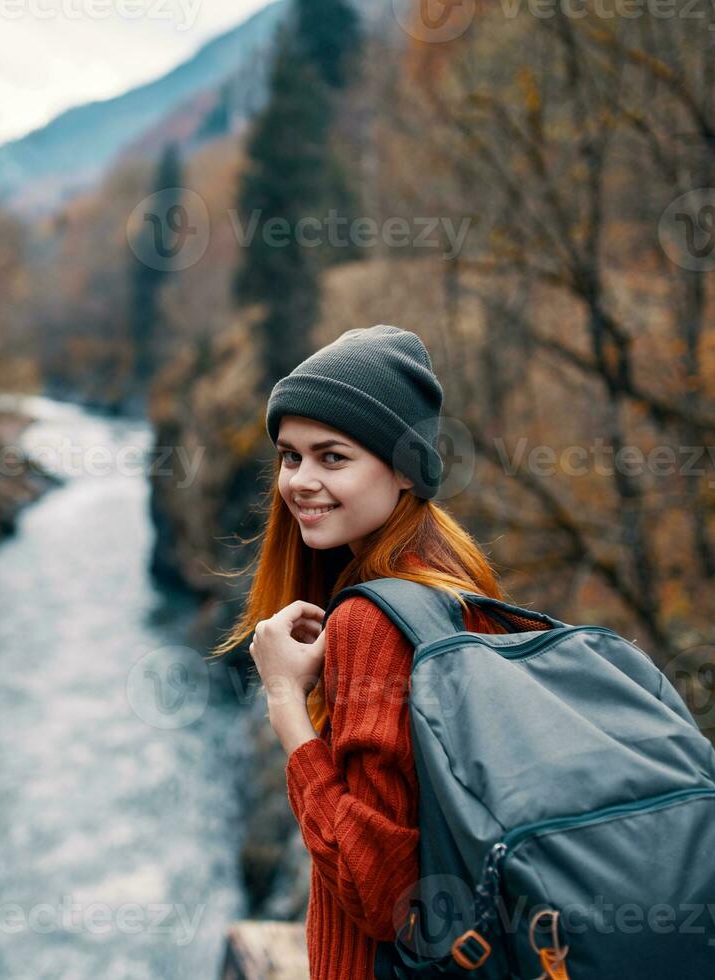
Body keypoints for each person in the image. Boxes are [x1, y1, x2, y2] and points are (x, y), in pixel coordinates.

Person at [212, 324, 521, 979]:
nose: (299, 481)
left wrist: (285, 704)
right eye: (289, 456)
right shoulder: (454, 577)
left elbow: (379, 890)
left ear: (406, 470)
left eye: (332, 457)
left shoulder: (373, 621)